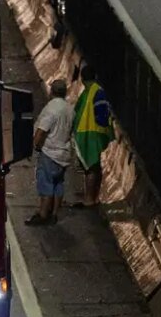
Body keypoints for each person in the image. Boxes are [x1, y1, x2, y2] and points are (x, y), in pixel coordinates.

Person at [25, 79, 74, 226]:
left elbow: (41, 131)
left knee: (45, 183)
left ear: (51, 92)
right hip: (64, 153)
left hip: (50, 153)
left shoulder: (51, 109)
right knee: (58, 184)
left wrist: (34, 147)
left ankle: (43, 214)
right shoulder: (70, 109)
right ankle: (54, 214)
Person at [72, 64, 115, 208]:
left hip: (88, 134)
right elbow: (103, 114)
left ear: (82, 79)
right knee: (94, 166)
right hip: (94, 133)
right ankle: (93, 198)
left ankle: (89, 199)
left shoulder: (89, 92)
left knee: (91, 167)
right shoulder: (96, 91)